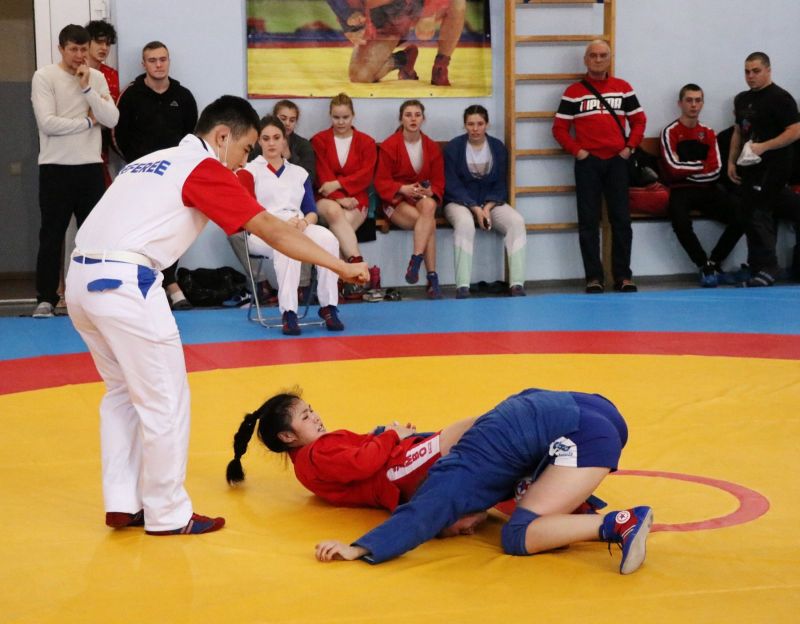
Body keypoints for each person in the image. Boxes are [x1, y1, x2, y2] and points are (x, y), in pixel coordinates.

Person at [64, 95, 368, 536]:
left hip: (81, 280)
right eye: (244, 148)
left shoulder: (149, 163)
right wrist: (339, 265)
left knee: (121, 394)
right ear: (222, 136)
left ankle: (123, 502)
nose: (244, 159)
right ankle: (168, 513)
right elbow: (272, 230)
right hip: (126, 284)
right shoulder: (202, 168)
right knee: (165, 399)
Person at [315, 388, 653, 575]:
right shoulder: (475, 443)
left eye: (452, 528)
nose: (466, 531)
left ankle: (621, 523)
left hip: (585, 435)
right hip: (593, 407)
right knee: (527, 490)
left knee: (518, 535)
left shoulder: (458, 474)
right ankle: (576, 512)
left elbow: (424, 512)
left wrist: (359, 547)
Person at [226, 388, 476, 511]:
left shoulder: (305, 464)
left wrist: (382, 435)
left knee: (467, 454)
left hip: (397, 480)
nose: (315, 417)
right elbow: (362, 463)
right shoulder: (317, 453)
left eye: (311, 410)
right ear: (288, 436)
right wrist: (390, 436)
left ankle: (461, 513)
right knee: (473, 431)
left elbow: (351, 458)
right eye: (305, 417)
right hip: (395, 472)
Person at [30, 24, 119, 319]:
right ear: (61, 49)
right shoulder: (44, 76)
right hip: (55, 167)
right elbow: (48, 123)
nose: (79, 55)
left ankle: (94, 297)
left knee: (94, 237)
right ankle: (46, 299)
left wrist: (88, 89)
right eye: (73, 49)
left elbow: (112, 118)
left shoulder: (95, 78)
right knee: (51, 236)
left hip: (90, 168)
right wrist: (87, 123)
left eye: (83, 49)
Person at [236, 115, 346, 336]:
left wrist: (304, 222)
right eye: (266, 138)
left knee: (329, 240)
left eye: (276, 137)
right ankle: (289, 312)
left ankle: (328, 306)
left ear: (284, 139)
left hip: (298, 226)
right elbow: (248, 213)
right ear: (258, 141)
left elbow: (312, 211)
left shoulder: (299, 173)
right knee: (286, 246)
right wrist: (280, 225)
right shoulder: (248, 171)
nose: (271, 143)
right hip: (263, 231)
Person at [553, 40, 646, 294]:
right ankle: (594, 277)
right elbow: (559, 129)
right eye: (593, 55)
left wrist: (629, 148)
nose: (597, 59)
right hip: (588, 164)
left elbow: (639, 121)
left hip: (618, 162)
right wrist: (578, 152)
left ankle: (623, 277)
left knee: (622, 221)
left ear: (609, 59)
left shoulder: (623, 88)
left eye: (603, 55)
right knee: (588, 223)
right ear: (585, 59)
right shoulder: (573, 92)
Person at [115, 40, 198, 310]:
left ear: (169, 61)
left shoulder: (183, 96)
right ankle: (155, 287)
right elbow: (119, 136)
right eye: (152, 60)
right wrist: (139, 164)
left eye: (163, 59)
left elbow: (191, 137)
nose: (158, 65)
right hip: (141, 177)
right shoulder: (131, 96)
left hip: (174, 178)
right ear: (144, 64)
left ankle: (170, 284)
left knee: (173, 230)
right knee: (144, 232)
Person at [660, 84, 744, 287]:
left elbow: (715, 169)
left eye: (698, 100)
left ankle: (714, 262)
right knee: (679, 220)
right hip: (680, 190)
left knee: (743, 214)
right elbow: (672, 168)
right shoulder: (670, 132)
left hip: (708, 189)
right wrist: (701, 166)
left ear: (702, 104)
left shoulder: (708, 132)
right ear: (680, 103)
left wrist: (688, 170)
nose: (694, 105)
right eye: (689, 100)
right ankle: (703, 265)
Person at [727, 52, 800, 287]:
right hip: (750, 167)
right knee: (749, 212)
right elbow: (738, 131)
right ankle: (756, 266)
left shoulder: (781, 98)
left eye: (756, 71)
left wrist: (764, 147)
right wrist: (731, 161)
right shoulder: (742, 99)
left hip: (774, 166)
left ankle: (768, 267)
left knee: (759, 212)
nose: (750, 76)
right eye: (747, 71)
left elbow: (795, 131)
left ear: (768, 70)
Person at [444, 105, 527, 298]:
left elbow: (500, 184)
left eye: (480, 124)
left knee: (517, 222)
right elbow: (452, 184)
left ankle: (517, 284)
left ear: (487, 124)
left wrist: (487, 208)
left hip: (490, 203)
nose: (475, 129)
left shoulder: (497, 147)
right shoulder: (454, 147)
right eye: (470, 124)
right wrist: (475, 208)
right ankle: (462, 286)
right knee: (465, 223)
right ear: (464, 125)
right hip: (459, 202)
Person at [375, 99, 445, 298]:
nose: (413, 119)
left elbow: (439, 181)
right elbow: (381, 181)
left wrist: (430, 191)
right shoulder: (389, 145)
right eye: (408, 115)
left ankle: (416, 259)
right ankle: (432, 277)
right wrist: (402, 188)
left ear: (423, 119)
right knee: (429, 224)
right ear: (401, 119)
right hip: (395, 200)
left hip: (420, 198)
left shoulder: (431, 146)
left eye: (417, 115)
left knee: (429, 205)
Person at [311, 93, 378, 300]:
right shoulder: (318, 140)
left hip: (357, 200)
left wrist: (339, 184)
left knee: (337, 232)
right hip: (326, 200)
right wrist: (339, 197)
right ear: (330, 116)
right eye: (336, 117)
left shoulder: (367, 142)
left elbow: (365, 175)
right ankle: (357, 264)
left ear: (353, 116)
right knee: (334, 211)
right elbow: (322, 176)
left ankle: (338, 282)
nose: (341, 122)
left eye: (345, 117)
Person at [326, 0, 465, 86]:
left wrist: (429, 12)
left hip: (419, 4)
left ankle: (441, 65)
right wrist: (348, 21)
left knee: (457, 3)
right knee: (360, 75)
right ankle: (402, 60)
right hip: (386, 16)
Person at [85, 19, 120, 185]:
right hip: (73, 142)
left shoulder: (112, 75)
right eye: (99, 42)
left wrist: (98, 111)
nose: (104, 48)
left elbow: (109, 115)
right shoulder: (75, 71)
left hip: (101, 145)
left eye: (108, 43)